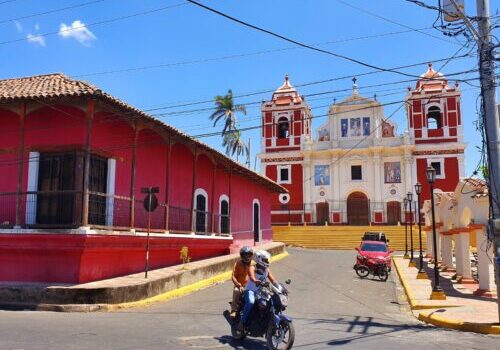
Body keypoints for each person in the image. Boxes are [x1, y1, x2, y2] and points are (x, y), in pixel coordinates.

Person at [239, 250, 277, 330]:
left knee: (269, 303)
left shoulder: (266, 270)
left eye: (267, 260)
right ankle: (242, 322)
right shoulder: (252, 267)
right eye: (265, 260)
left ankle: (263, 321)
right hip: (250, 290)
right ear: (259, 259)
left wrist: (280, 287)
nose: (267, 261)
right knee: (251, 302)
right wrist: (255, 280)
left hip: (261, 292)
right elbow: (252, 276)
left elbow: (273, 280)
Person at [230, 246, 253, 318]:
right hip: (240, 285)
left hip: (251, 285)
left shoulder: (254, 263)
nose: (247, 256)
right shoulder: (238, 264)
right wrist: (238, 285)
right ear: (242, 255)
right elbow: (233, 276)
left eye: (248, 254)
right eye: (245, 254)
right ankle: (233, 310)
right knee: (236, 291)